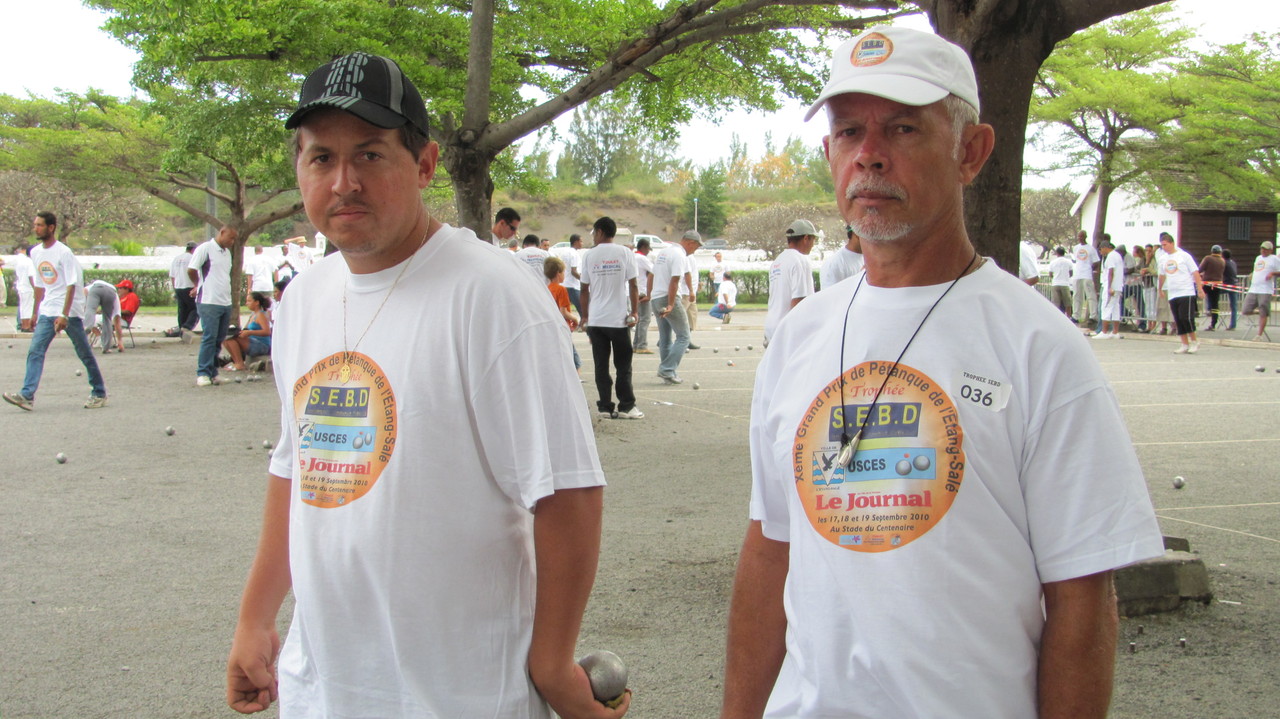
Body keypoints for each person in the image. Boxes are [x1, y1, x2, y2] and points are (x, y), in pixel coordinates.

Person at [722, 27, 1163, 719]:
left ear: (971, 151)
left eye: (902, 128)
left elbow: (1081, 598)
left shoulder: (1039, 346)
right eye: (848, 132)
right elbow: (768, 551)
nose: (869, 155)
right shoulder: (798, 338)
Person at [226, 52, 627, 719]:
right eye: (321, 158)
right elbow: (296, 469)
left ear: (425, 163)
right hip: (324, 686)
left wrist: (552, 660)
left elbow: (567, 489)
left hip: (459, 691)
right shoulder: (303, 301)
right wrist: (255, 617)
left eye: (372, 155)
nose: (344, 181)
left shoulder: (492, 295)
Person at [4, 212, 109, 410]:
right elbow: (40, 285)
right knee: (35, 351)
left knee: (84, 352)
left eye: (40, 225)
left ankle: (99, 392)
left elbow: (71, 285)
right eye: (35, 225)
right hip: (48, 308)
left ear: (51, 227)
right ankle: (27, 395)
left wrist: (64, 314)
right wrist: (35, 312)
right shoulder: (35, 252)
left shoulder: (64, 253)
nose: (36, 228)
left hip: (69, 311)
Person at [580, 216, 643, 420]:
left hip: (596, 320)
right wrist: (635, 311)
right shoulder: (625, 252)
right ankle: (626, 406)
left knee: (601, 365)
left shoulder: (589, 256)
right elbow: (633, 285)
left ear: (599, 232)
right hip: (618, 320)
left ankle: (605, 407)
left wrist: (585, 316)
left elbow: (584, 289)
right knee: (623, 365)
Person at [189, 226, 238, 386]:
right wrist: (198, 284)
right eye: (230, 238)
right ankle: (202, 372)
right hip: (209, 300)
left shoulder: (227, 253)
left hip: (225, 300)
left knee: (219, 338)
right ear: (222, 233)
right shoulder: (206, 249)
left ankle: (213, 372)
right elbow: (192, 269)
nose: (232, 242)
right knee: (209, 337)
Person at [650, 230, 701, 384]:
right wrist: (671, 304)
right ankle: (666, 369)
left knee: (665, 338)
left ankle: (668, 374)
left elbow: (651, 275)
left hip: (656, 297)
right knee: (684, 336)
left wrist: (649, 294)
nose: (695, 250)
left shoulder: (664, 252)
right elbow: (674, 280)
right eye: (696, 247)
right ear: (690, 242)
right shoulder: (679, 255)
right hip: (668, 297)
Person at [763, 219, 817, 345]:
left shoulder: (778, 261)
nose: (813, 244)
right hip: (787, 330)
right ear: (806, 238)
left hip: (772, 325)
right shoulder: (800, 260)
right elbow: (799, 300)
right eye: (813, 240)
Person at [1156, 232, 1205, 354]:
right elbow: (1162, 275)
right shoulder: (1163, 259)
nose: (1164, 247)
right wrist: (1160, 288)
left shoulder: (1184, 256)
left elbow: (1195, 272)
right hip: (1173, 292)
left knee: (1186, 318)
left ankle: (1194, 341)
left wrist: (1199, 288)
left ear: (1172, 243)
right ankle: (1184, 343)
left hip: (1186, 291)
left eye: (1165, 245)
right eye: (1162, 245)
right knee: (1178, 319)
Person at [543, 255, 581, 372]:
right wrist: (575, 319)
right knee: (574, 360)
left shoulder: (546, 288)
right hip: (563, 325)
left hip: (552, 325)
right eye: (563, 272)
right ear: (558, 273)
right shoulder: (561, 289)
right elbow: (563, 311)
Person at [222, 291, 272, 372]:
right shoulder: (253, 315)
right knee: (226, 338)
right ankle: (237, 361)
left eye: (249, 301)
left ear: (257, 302)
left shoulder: (261, 315)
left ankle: (239, 364)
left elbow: (267, 332)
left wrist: (249, 333)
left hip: (262, 345)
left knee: (231, 338)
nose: (246, 303)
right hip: (252, 342)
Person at [1242, 240, 1280, 341]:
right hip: (1254, 288)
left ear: (1270, 250)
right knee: (1245, 309)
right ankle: (1259, 312)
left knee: (1263, 310)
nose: (1263, 251)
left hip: (1265, 289)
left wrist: (1273, 274)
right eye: (1262, 248)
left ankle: (1259, 335)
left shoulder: (1274, 259)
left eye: (1266, 249)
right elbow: (1258, 270)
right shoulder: (1258, 258)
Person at [167, 241, 199, 341]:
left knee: (182, 310)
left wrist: (175, 288)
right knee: (196, 308)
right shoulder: (193, 258)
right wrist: (196, 286)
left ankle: (182, 328)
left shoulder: (176, 259)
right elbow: (195, 272)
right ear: (194, 250)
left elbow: (172, 276)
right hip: (189, 286)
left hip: (178, 287)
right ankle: (187, 326)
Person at [84, 279, 125, 353]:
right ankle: (106, 347)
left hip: (96, 288)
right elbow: (117, 319)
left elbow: (84, 291)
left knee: (90, 309)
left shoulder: (92, 286)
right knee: (107, 319)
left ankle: (87, 326)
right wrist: (120, 341)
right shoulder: (116, 296)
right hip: (111, 292)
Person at [1071, 230, 1099, 328]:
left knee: (1090, 295)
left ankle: (1093, 315)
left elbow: (1096, 262)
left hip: (1086, 274)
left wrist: (1090, 267)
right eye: (1078, 237)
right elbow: (1075, 260)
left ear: (1085, 237)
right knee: (1077, 295)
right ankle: (1076, 315)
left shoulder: (1091, 249)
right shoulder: (1075, 248)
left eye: (1081, 236)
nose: (1080, 238)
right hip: (1077, 274)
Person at [1096, 241, 1124, 339]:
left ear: (1104, 247)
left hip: (1111, 286)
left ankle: (1104, 331)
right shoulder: (1118, 255)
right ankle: (1115, 332)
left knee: (1106, 307)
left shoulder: (1111, 256)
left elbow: (1111, 272)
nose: (1100, 252)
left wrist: (1109, 287)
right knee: (1115, 308)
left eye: (1100, 249)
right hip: (1118, 286)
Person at [553, 234, 585, 317]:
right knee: (582, 308)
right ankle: (583, 324)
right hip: (572, 286)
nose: (582, 243)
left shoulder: (565, 252)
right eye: (581, 241)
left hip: (564, 284)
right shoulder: (574, 254)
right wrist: (583, 280)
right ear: (576, 242)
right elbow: (573, 271)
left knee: (564, 308)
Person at [632, 237, 654, 353]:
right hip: (643, 291)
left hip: (634, 291)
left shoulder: (632, 256)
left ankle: (636, 345)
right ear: (644, 247)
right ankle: (642, 345)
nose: (648, 252)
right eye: (648, 249)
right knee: (645, 319)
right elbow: (654, 271)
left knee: (639, 319)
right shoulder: (642, 258)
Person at [1198, 244, 1226, 331]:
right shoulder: (1222, 260)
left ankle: (1194, 312)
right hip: (1218, 284)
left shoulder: (1208, 258)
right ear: (1220, 252)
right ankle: (1213, 324)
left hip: (1207, 283)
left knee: (1196, 296)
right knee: (1215, 304)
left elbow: (1200, 269)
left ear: (1212, 251)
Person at [13, 242, 36, 332]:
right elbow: (31, 277)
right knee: (28, 307)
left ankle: (23, 325)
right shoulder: (29, 262)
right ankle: (27, 326)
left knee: (23, 307)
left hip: (21, 286)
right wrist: (35, 288)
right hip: (28, 288)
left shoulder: (21, 262)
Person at [1047, 246, 1073, 315]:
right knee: (1068, 303)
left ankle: (1056, 318)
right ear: (1064, 253)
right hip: (1065, 284)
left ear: (1057, 253)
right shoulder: (1068, 262)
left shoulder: (1053, 262)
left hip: (1055, 283)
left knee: (1056, 304)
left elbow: (1050, 274)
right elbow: (1071, 273)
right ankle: (1068, 318)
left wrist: (1055, 277)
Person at [1221, 247, 1239, 330]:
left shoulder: (1224, 263)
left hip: (1227, 284)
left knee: (1212, 293)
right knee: (1234, 306)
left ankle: (1210, 309)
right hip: (1234, 284)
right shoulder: (1233, 263)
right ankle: (1233, 324)